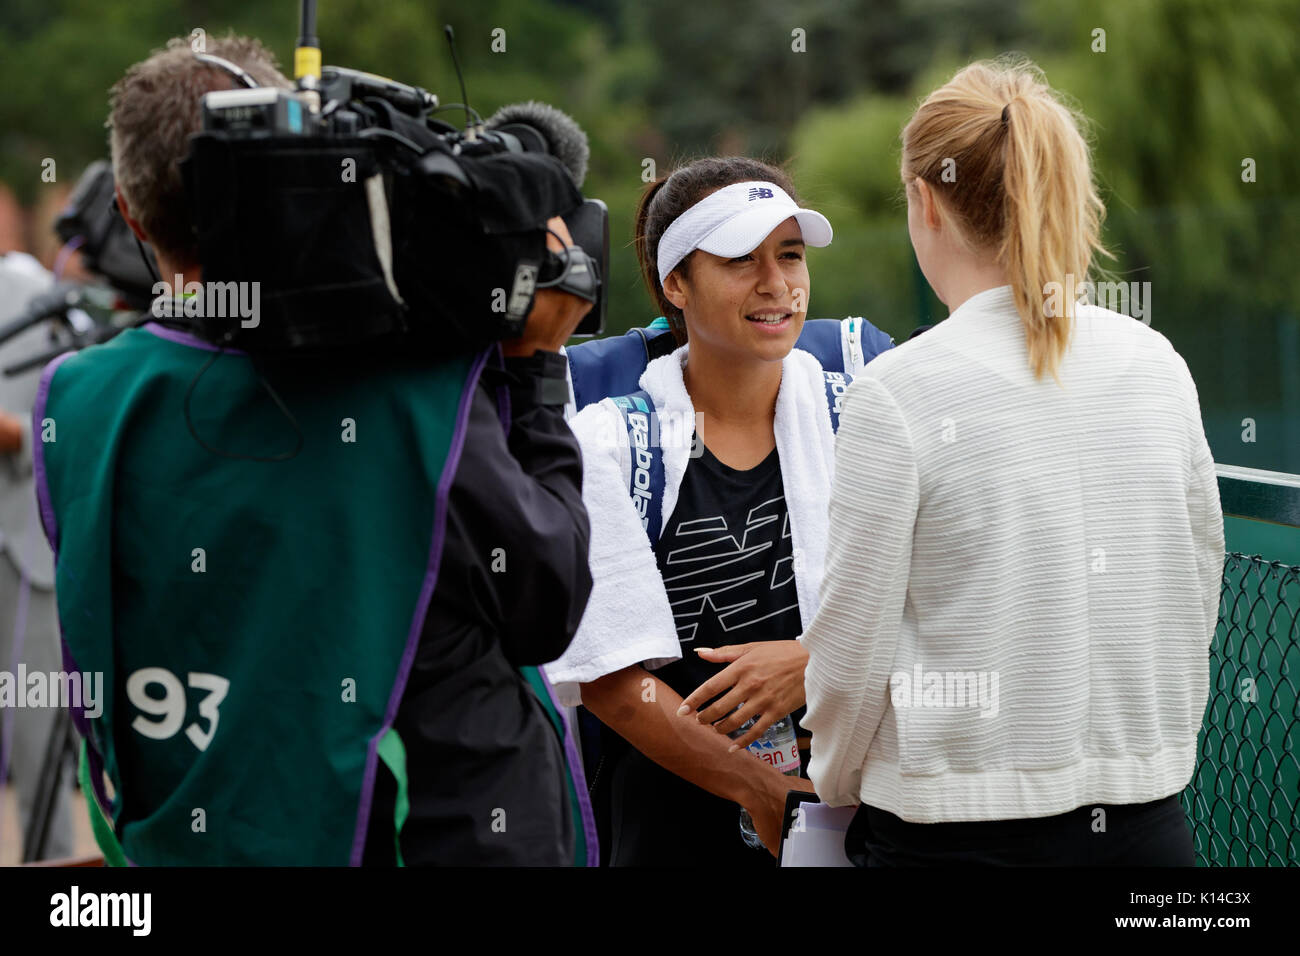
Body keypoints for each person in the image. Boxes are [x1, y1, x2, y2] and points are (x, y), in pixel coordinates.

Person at [34, 34, 596, 865]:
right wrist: (532, 372)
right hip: (422, 834)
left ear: (127, 209)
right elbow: (544, 601)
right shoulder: (415, 391)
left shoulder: (77, 399)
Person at [799, 57, 1225, 866]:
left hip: (947, 839)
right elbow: (1197, 581)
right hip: (1150, 831)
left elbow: (851, 652)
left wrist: (834, 780)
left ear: (924, 200)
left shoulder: (897, 391)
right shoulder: (1158, 363)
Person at [544, 156, 893, 866]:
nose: (777, 285)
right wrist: (760, 791)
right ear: (677, 284)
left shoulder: (861, 411)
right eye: (740, 260)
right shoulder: (611, 442)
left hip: (857, 817)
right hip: (668, 829)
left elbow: (931, 600)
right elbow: (612, 679)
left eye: (790, 256)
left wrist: (813, 661)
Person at [0, 251, 77, 862]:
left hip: (24, 552)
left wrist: (13, 434)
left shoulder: (33, 291)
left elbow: (68, 420)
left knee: (38, 746)